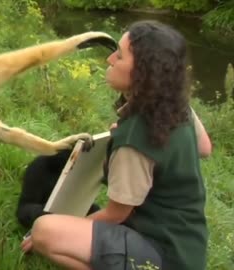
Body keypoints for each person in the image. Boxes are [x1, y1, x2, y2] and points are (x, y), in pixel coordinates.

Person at [20, 20, 211, 270]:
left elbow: (115, 215)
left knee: (44, 230)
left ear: (142, 73)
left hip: (161, 256)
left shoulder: (134, 141)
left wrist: (70, 228)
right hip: (188, 247)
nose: (110, 59)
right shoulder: (177, 105)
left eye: (119, 56)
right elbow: (205, 147)